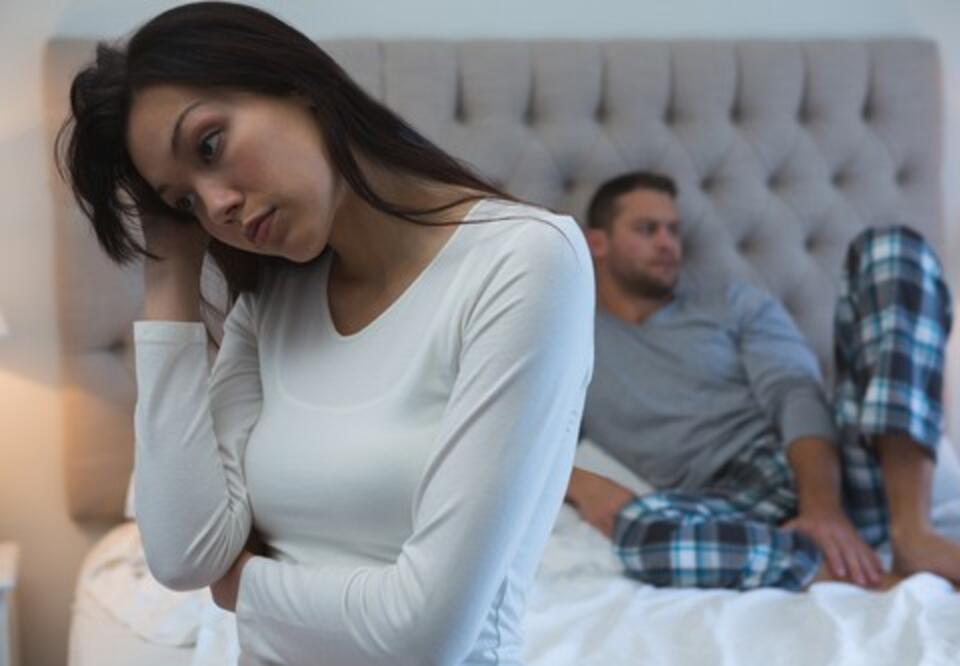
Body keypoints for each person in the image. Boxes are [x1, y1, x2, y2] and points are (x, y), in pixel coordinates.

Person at [56, 3, 594, 664]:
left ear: (298, 86)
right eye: (185, 202)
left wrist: (243, 587)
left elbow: (424, 634)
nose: (216, 206)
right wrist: (170, 273)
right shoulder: (273, 302)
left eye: (209, 145)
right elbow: (183, 555)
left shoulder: (524, 260)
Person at [565, 170, 960, 591]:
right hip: (737, 504)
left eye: (673, 231)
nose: (667, 243)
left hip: (841, 472)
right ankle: (859, 575)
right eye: (647, 229)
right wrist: (579, 482)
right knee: (639, 532)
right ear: (596, 242)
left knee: (891, 248)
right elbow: (532, 433)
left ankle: (913, 534)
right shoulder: (569, 345)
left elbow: (795, 391)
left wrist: (823, 508)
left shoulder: (731, 303)